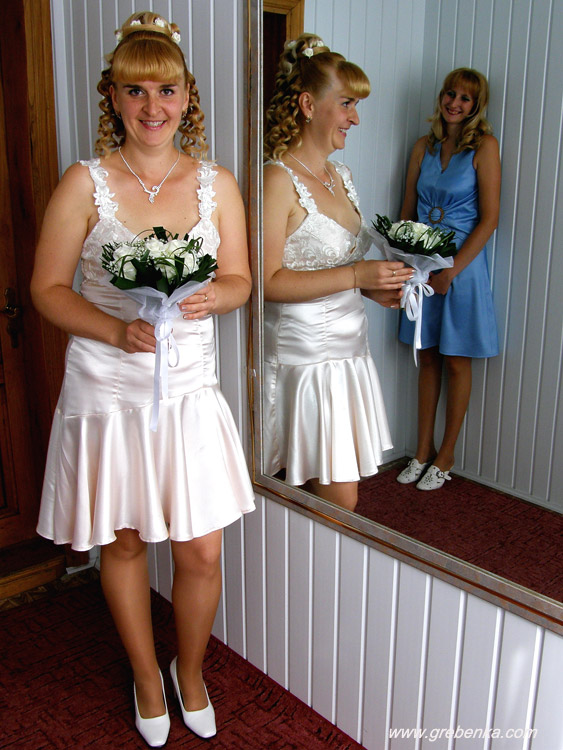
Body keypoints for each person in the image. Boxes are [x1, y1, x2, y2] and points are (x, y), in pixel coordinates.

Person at [31, 12, 255, 746]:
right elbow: (46, 289)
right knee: (124, 541)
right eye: (135, 91)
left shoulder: (217, 184)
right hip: (108, 384)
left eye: (166, 90)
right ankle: (147, 677)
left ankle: (189, 669)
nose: (152, 107)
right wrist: (113, 329)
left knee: (201, 549)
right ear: (113, 97)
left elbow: (241, 279)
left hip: (187, 388)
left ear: (187, 96)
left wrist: (215, 296)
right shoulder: (84, 183)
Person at [262, 34, 412, 512]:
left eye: (356, 105)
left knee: (327, 504)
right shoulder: (276, 180)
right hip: (303, 364)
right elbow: (267, 282)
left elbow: (339, 266)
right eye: (347, 103)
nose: (355, 118)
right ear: (308, 105)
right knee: (335, 504)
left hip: (349, 353)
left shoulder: (340, 176)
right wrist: (357, 278)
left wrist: (373, 289)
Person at [397, 67, 501, 490]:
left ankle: (447, 454)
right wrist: (407, 263)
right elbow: (406, 212)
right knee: (427, 356)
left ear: (476, 106)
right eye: (450, 94)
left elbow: (490, 219)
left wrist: (452, 271)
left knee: (457, 359)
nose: (455, 103)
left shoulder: (485, 147)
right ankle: (422, 450)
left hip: (463, 267)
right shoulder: (423, 147)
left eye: (465, 98)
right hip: (423, 265)